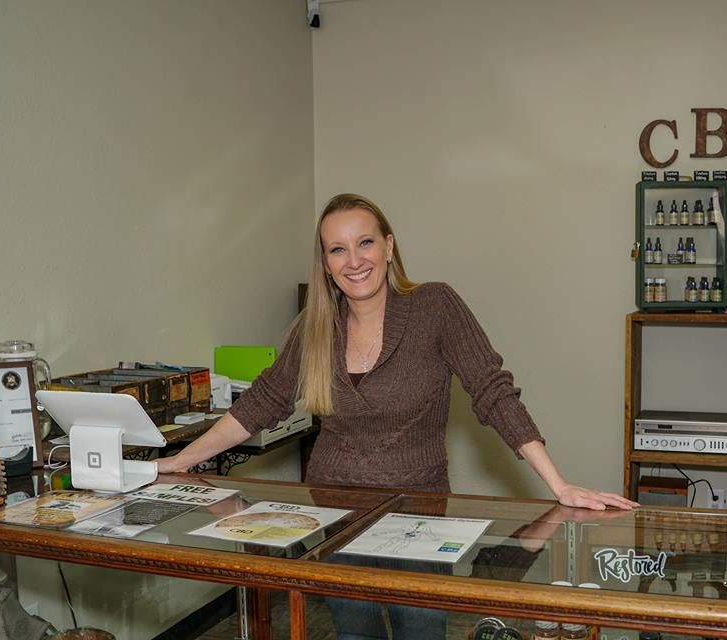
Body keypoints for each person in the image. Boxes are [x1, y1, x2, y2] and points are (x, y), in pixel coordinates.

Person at [157, 193, 636, 638]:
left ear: (389, 246)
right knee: (354, 630)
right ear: (325, 264)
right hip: (334, 516)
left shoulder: (435, 306)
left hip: (421, 517)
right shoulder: (315, 327)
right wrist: (181, 461)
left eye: (364, 242)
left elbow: (493, 392)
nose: (354, 260)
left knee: (419, 629)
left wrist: (559, 484)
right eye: (337, 250)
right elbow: (262, 401)